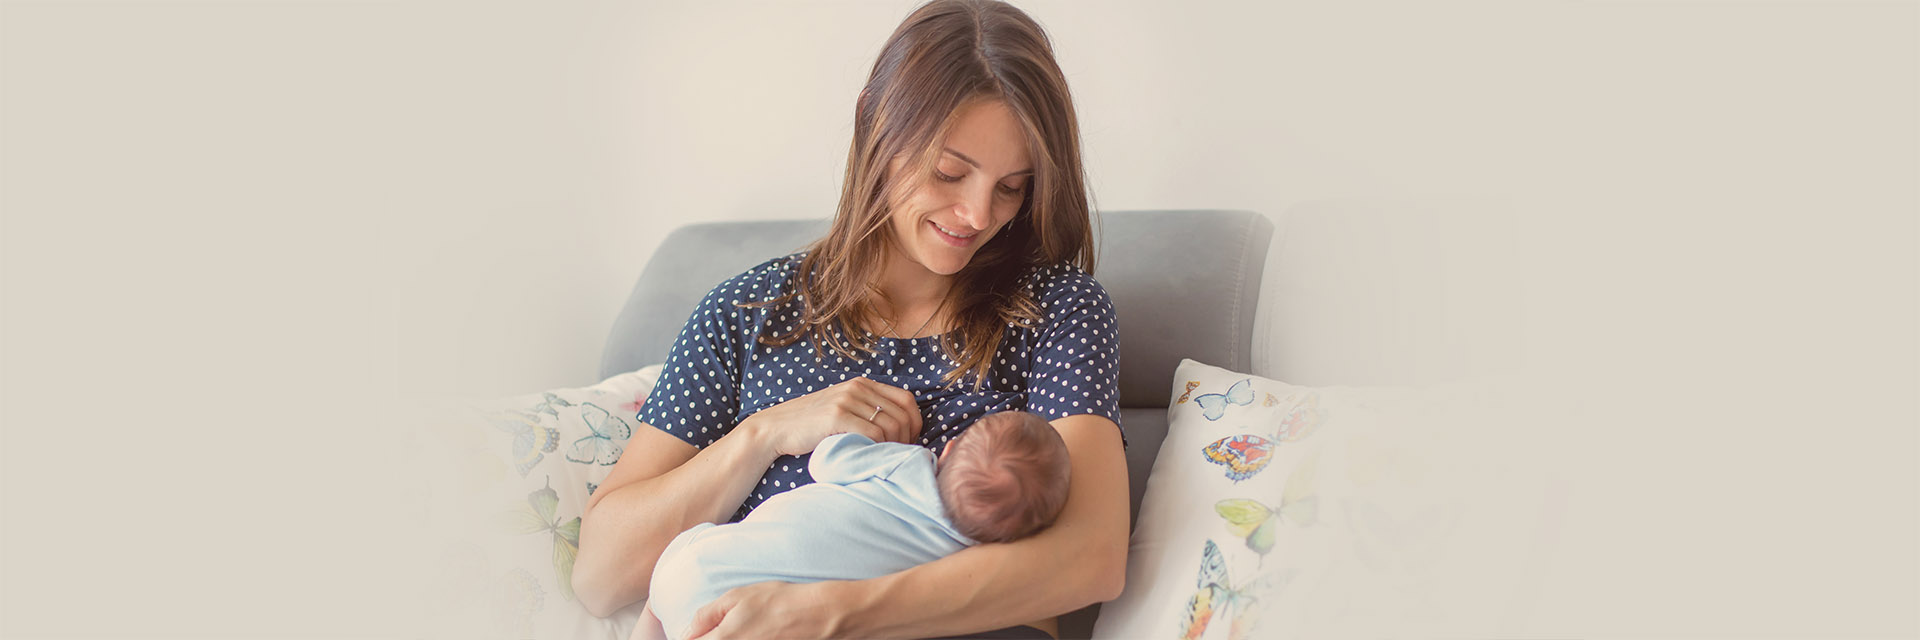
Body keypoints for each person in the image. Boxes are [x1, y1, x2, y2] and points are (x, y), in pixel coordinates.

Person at [573, 0, 1130, 637]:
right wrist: (762, 434)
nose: (979, 213)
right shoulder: (747, 314)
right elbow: (600, 576)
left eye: (1011, 186)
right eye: (950, 171)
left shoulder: (1056, 309)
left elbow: (1092, 558)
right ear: (874, 120)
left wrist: (828, 614)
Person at [631, 411, 1072, 640]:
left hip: (695, 566)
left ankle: (651, 622)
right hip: (743, 618)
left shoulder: (907, 465)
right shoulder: (958, 561)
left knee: (664, 591)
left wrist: (881, 444)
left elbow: (828, 460)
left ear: (951, 447)